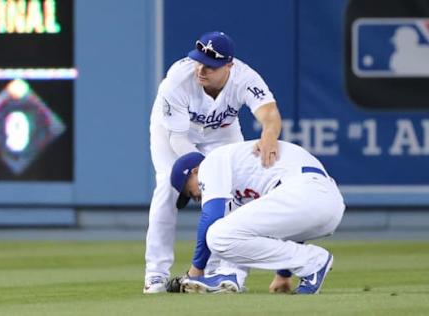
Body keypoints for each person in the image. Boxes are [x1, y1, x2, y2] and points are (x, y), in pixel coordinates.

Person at [144, 31, 282, 293]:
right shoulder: (177, 80)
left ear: (228, 65)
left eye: (210, 66)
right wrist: (206, 175)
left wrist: (269, 135)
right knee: (166, 188)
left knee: (234, 193)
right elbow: (179, 141)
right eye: (198, 61)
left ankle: (224, 271)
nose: (201, 70)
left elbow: (270, 114)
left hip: (222, 132)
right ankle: (156, 273)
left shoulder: (244, 78)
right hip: (174, 134)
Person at [169, 140, 345, 294]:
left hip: (306, 190)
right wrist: (283, 275)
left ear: (195, 171)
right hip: (328, 204)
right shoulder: (239, 184)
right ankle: (230, 276)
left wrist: (195, 271)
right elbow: (284, 227)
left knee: (217, 234)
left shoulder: (211, 162)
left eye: (189, 191)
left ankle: (313, 261)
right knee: (234, 225)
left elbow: (211, 217)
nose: (195, 198)